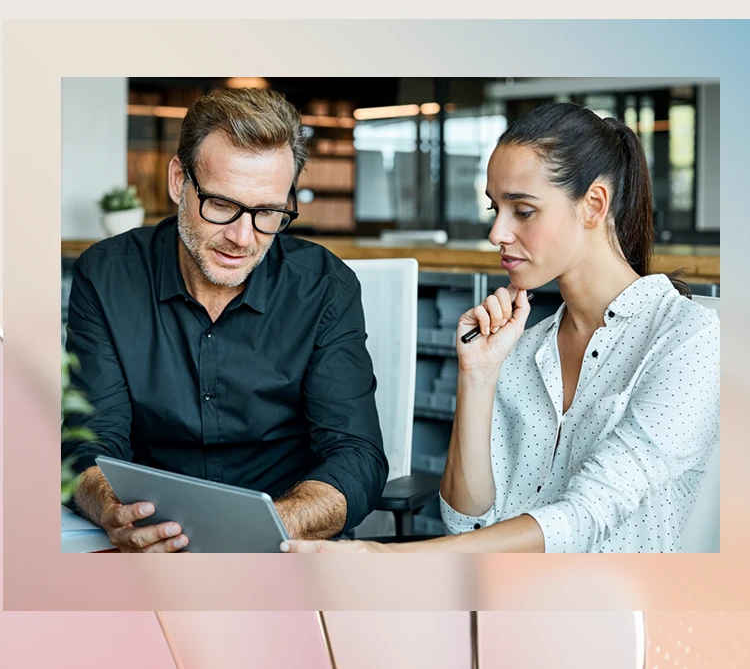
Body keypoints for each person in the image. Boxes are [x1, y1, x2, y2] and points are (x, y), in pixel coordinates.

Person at [286, 102, 719, 554]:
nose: (496, 233)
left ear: (593, 205)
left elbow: (589, 513)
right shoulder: (521, 346)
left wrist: (396, 557)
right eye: (496, 208)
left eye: (523, 211)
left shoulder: (689, 338)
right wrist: (478, 375)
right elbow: (464, 522)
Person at [63, 88, 388, 552]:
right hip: (151, 546)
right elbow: (89, 444)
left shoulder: (325, 287)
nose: (241, 237)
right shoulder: (106, 275)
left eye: (268, 213)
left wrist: (270, 526)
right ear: (179, 180)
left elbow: (356, 457)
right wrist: (114, 511)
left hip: (284, 545)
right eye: (221, 204)